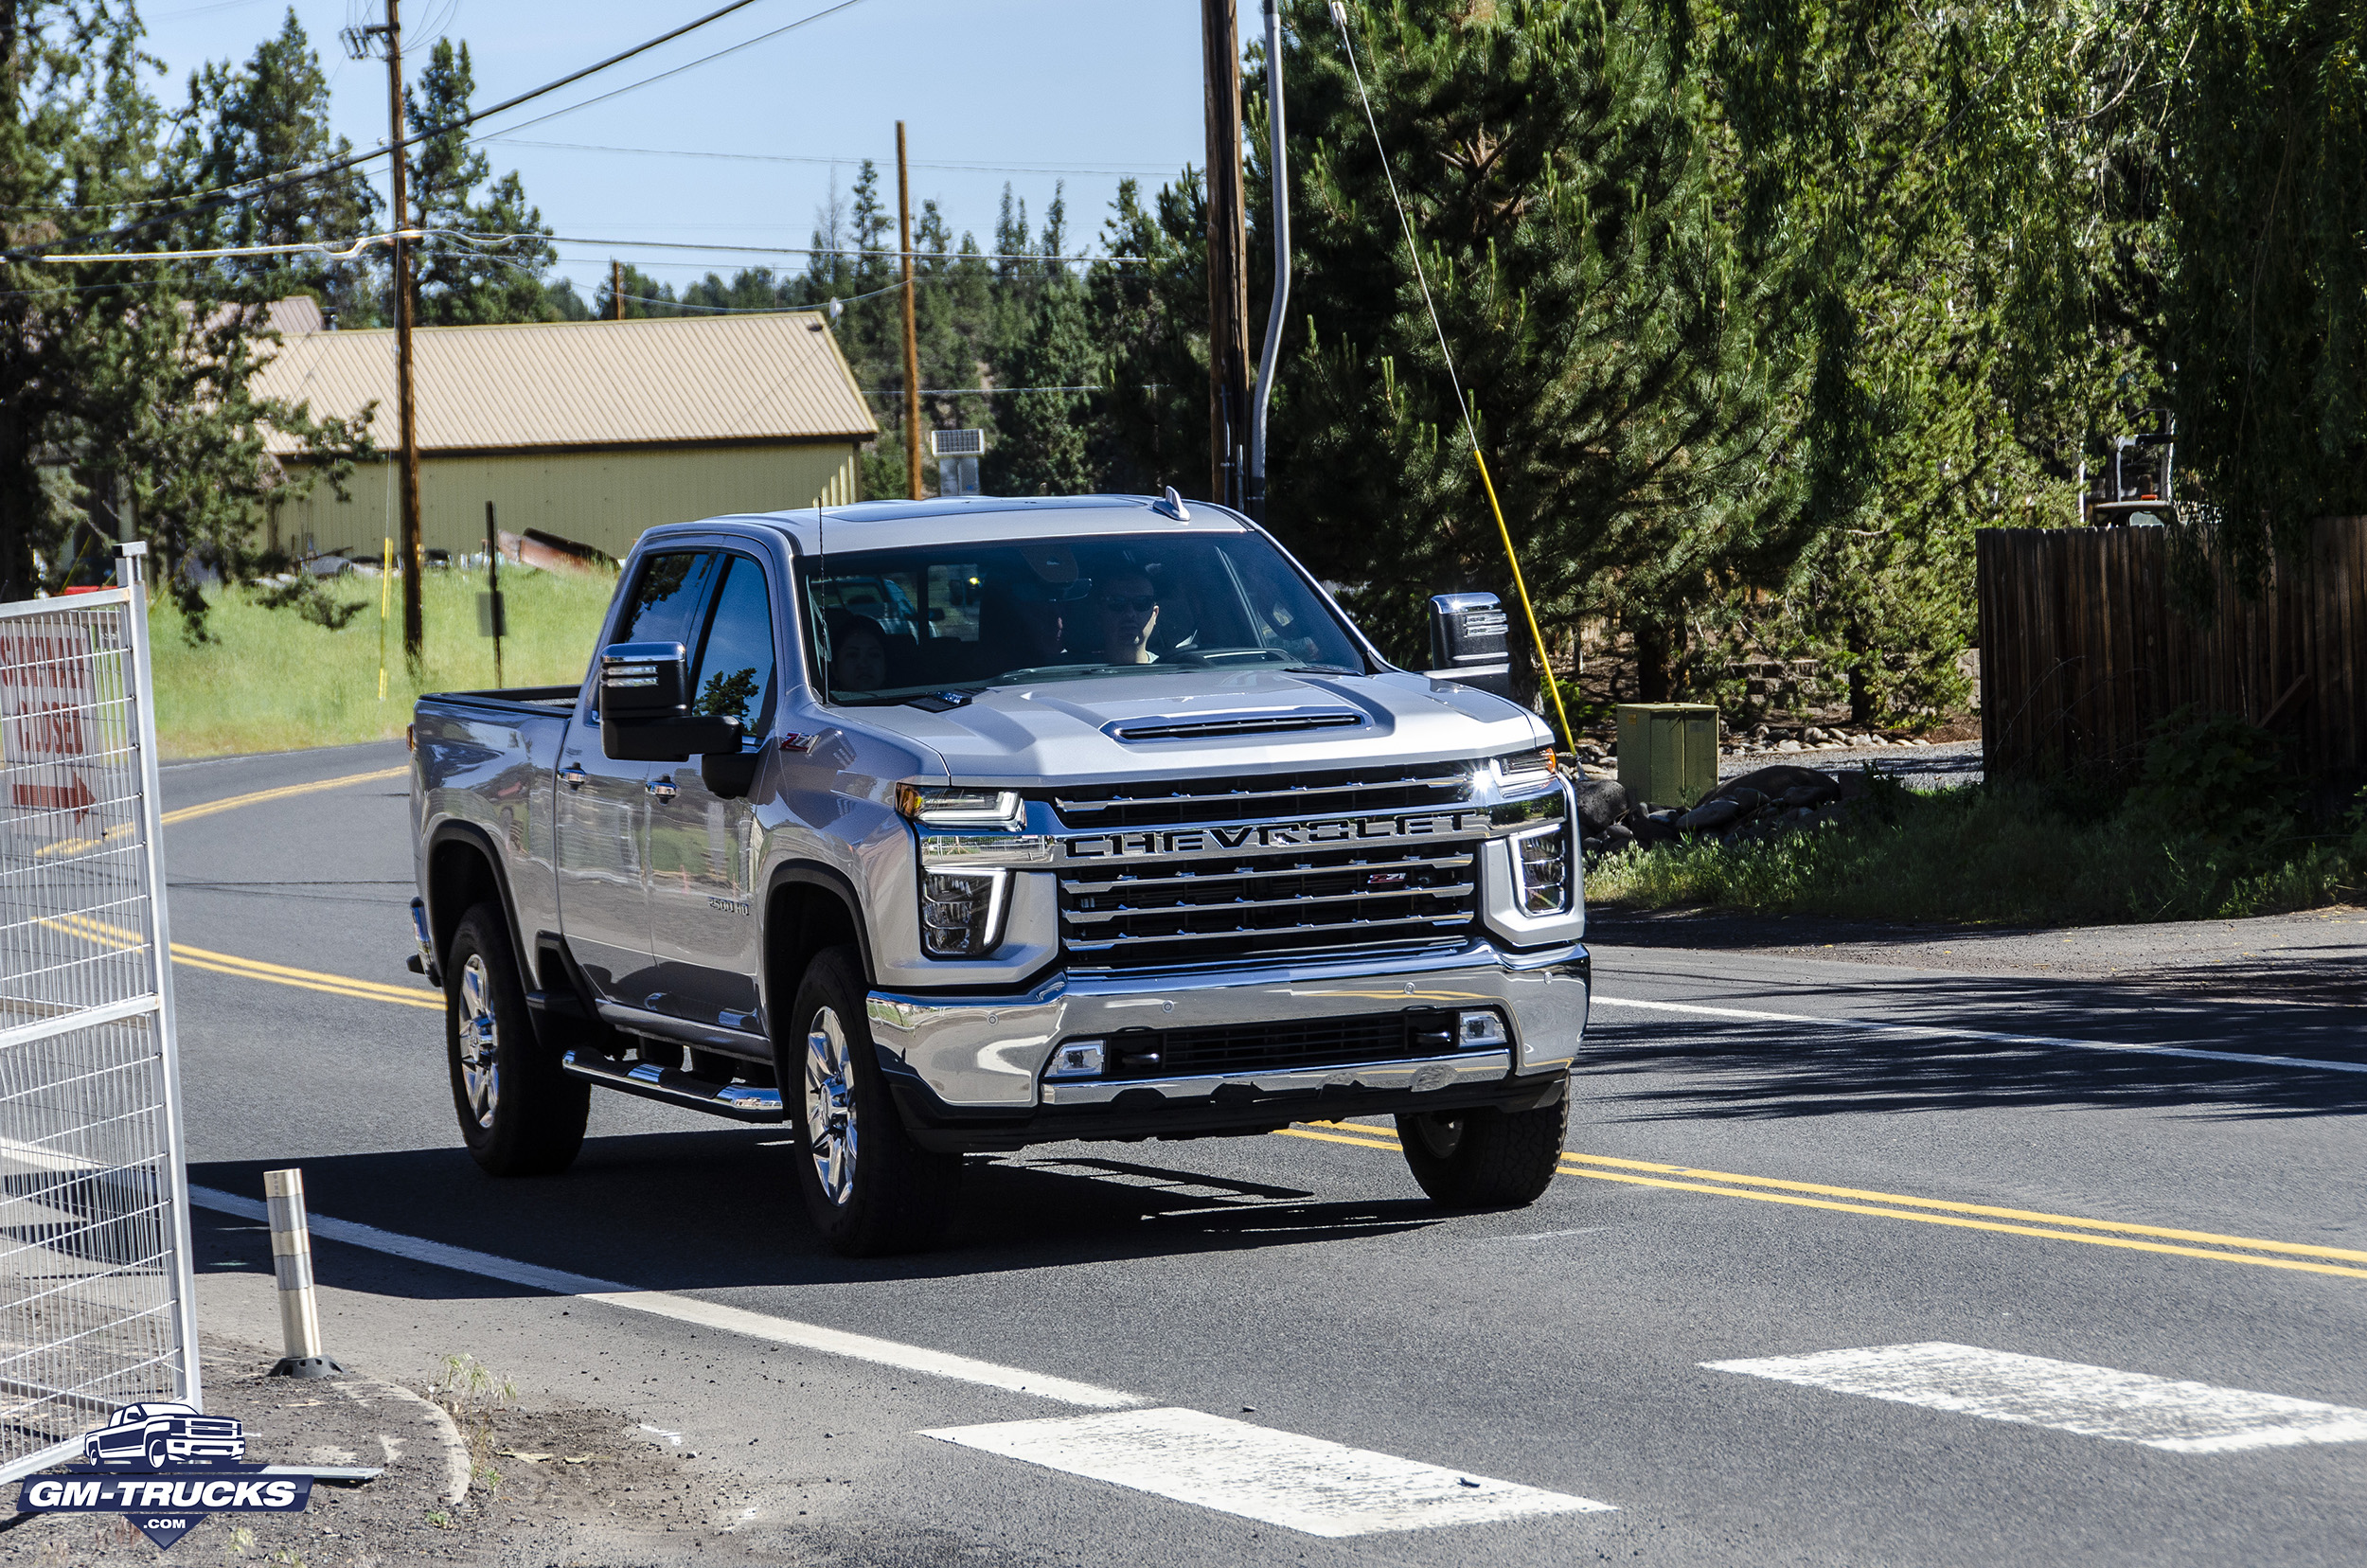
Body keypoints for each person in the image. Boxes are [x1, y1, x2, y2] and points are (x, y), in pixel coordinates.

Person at [1093, 572, 1161, 665]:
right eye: (1117, 602)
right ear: (1099, 613)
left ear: (1154, 614)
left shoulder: (1174, 672)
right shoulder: (1073, 674)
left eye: (1142, 602)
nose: (1130, 613)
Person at [826, 613, 888, 693]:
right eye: (852, 655)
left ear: (885, 666)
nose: (864, 664)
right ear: (834, 669)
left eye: (873, 655)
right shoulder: (816, 704)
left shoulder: (905, 702)